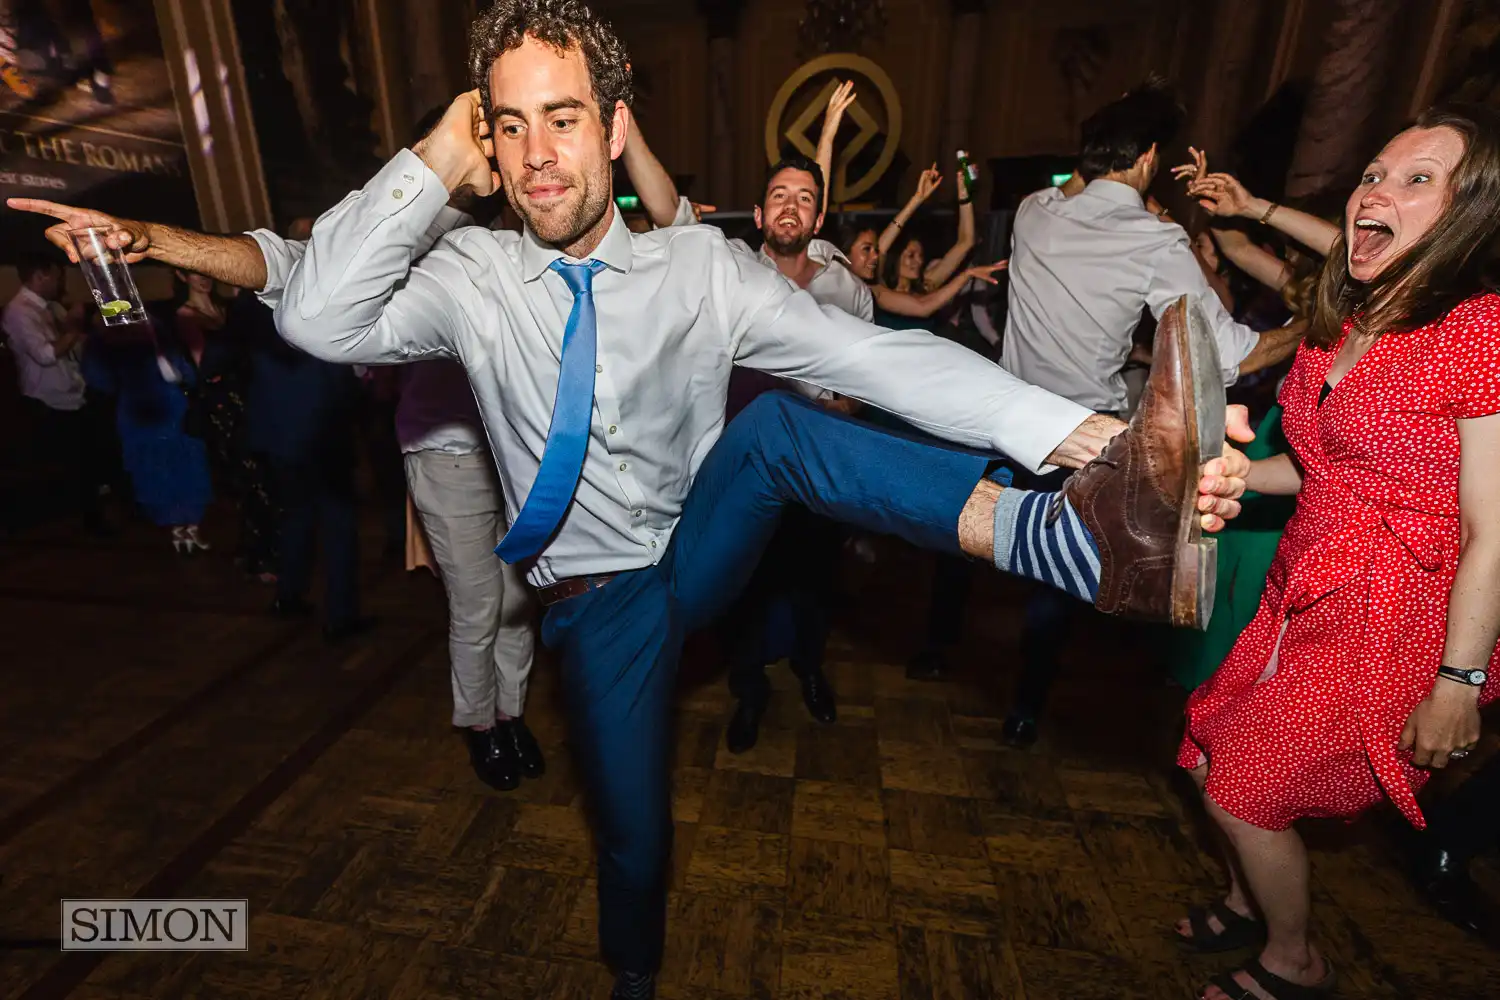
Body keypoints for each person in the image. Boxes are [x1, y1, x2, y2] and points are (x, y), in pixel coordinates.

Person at [9, 4, 1253, 996]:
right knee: (635, 843)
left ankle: (1077, 541)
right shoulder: (470, 274)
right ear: (486, 148)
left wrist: (1092, 439)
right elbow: (321, 305)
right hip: (590, 606)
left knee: (782, 428)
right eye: (510, 127)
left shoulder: (700, 268)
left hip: (693, 554)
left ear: (615, 130)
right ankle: (636, 971)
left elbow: (879, 360)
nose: (538, 151)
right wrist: (439, 149)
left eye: (564, 119)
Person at [1175, 104, 1500, 1000]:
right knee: (1211, 749)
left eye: (1417, 177)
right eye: (1371, 174)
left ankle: (1295, 960)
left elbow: (1494, 530)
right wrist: (1243, 473)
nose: (1377, 190)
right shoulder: (1351, 315)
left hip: (1392, 613)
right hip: (1309, 579)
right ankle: (1248, 898)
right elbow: (1315, 465)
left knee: (1241, 789)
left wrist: (1458, 683)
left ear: (1469, 210)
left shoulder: (1477, 331)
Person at [994, 78, 1305, 748]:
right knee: (1058, 570)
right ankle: (1027, 705)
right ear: (1148, 160)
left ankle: (939, 647)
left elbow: (1072, 188)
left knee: (981, 534)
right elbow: (1227, 354)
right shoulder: (1154, 241)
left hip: (1004, 418)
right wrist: (1305, 327)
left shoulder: (1032, 212)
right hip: (1078, 433)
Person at [399, 359, 541, 791]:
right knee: (477, 608)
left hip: (515, 455)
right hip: (448, 456)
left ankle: (509, 714)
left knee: (518, 602)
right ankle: (481, 726)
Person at [238, 223, 368, 641]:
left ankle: (289, 596)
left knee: (294, 515)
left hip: (279, 431)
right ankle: (340, 615)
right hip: (318, 430)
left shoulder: (249, 296)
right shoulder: (320, 292)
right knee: (338, 524)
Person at [172, 270, 278, 579]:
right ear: (181, 276)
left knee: (258, 476)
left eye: (206, 273)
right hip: (222, 405)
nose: (203, 279)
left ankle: (253, 550)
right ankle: (259, 557)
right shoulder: (186, 316)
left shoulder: (225, 308)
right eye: (194, 274)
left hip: (246, 397)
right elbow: (204, 366)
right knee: (248, 478)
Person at [81, 317, 212, 552]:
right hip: (160, 405)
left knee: (163, 467)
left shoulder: (104, 336)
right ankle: (188, 528)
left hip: (142, 408)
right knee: (180, 465)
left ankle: (180, 530)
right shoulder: (147, 327)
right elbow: (181, 370)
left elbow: (100, 380)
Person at [2, 252, 106, 534]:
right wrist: (73, 326)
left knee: (87, 459)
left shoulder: (50, 307)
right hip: (48, 399)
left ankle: (92, 516)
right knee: (75, 464)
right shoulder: (20, 311)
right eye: (56, 277)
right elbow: (46, 355)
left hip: (71, 392)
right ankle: (87, 524)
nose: (60, 284)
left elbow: (74, 345)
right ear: (40, 276)